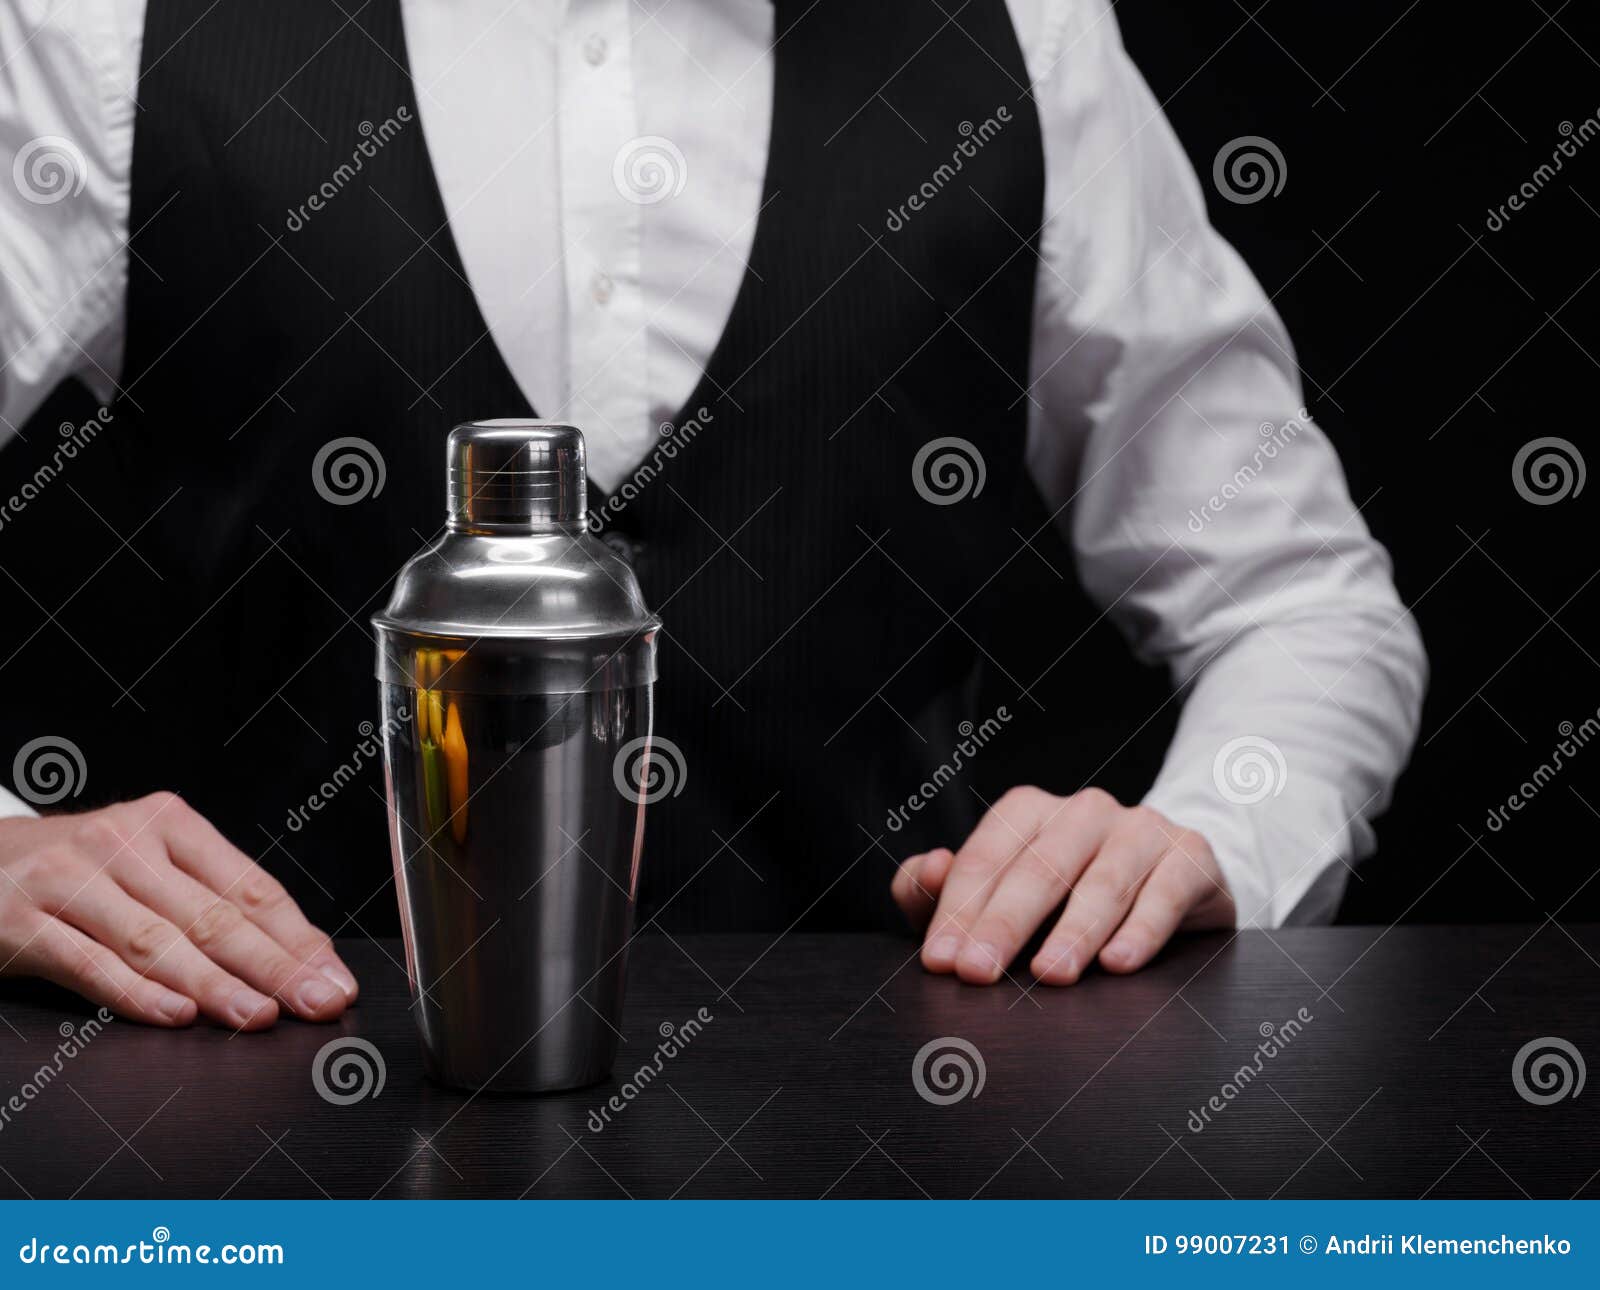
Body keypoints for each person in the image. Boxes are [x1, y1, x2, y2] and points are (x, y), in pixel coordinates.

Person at [0, 0, 1425, 1031]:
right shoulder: (109, 33)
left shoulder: (1023, 41)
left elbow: (1301, 600)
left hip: (899, 1167)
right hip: (275, 1161)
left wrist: (1211, 837)